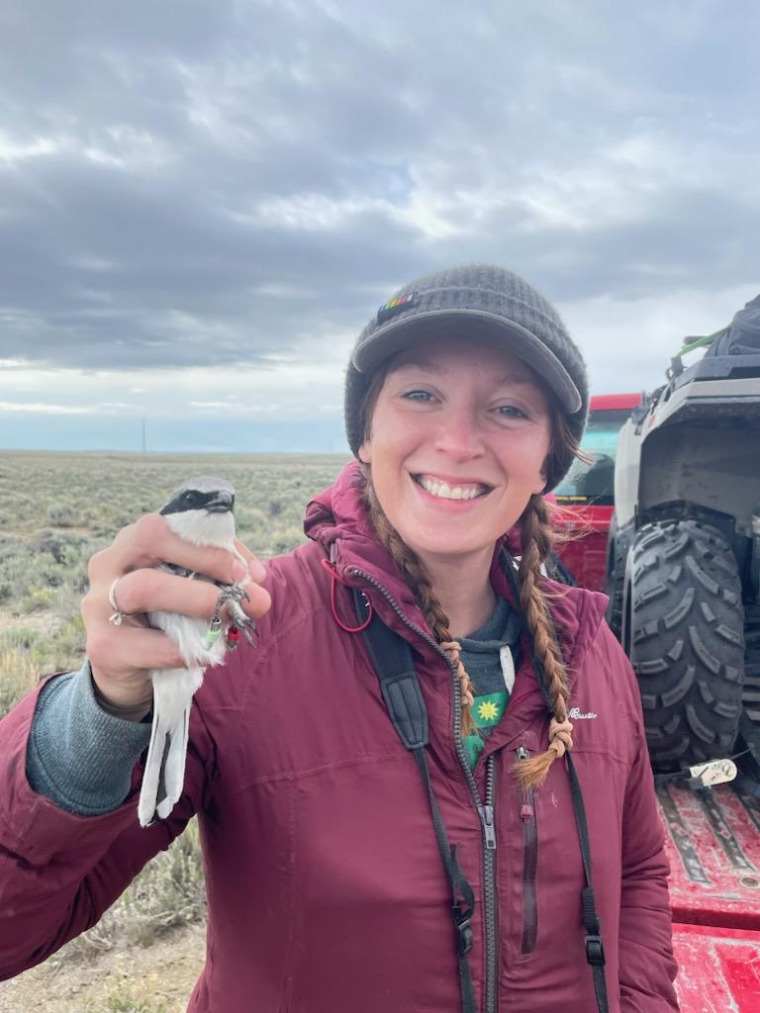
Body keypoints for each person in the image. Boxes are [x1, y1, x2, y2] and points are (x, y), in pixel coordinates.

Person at [0, 264, 679, 1012]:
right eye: (420, 393)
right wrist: (98, 713)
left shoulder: (591, 653)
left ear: (549, 458)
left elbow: (639, 873)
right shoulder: (250, 634)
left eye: (509, 408)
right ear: (365, 430)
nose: (457, 440)